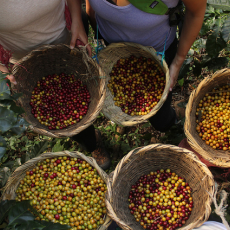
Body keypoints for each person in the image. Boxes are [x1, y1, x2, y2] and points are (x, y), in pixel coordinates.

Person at [0, 0, 111, 170]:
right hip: (23, 61)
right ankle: (89, 141)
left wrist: (77, 19)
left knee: (78, 105)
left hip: (65, 41)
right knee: (62, 117)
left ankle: (91, 140)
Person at [85, 0, 207, 132]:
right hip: (115, 47)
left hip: (159, 52)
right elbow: (90, 8)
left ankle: (170, 120)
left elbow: (196, 12)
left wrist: (178, 60)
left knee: (161, 118)